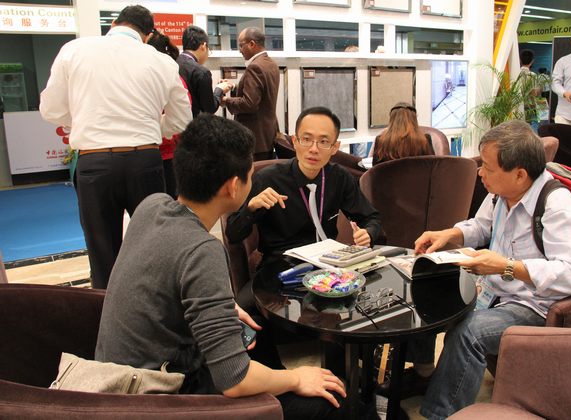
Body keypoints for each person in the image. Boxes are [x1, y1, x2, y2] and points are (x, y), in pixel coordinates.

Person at [95, 115, 347, 420]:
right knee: (332, 403)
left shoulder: (152, 206)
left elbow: (164, 286)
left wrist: (220, 306)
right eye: (250, 175)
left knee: (257, 333)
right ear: (233, 187)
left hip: (119, 377)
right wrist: (296, 378)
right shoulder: (202, 250)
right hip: (158, 397)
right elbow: (234, 379)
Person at [416, 120, 571, 419]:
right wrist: (449, 234)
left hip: (534, 304)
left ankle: (441, 414)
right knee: (426, 287)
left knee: (469, 333)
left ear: (519, 174)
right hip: (495, 291)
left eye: (488, 168)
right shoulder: (501, 194)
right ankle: (423, 372)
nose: (480, 173)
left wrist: (506, 267)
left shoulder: (555, 204)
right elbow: (481, 226)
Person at [39, 5, 192, 289]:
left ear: (114, 24)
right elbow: (182, 119)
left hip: (94, 162)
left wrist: (85, 120)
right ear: (148, 35)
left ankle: (104, 307)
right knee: (152, 244)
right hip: (145, 160)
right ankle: (152, 303)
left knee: (102, 251)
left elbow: (50, 109)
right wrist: (150, 127)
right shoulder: (162, 61)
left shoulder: (74, 50)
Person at [226, 107, 381, 297]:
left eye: (323, 142)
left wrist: (368, 233)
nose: (313, 149)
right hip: (281, 270)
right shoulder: (267, 179)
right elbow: (233, 233)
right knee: (245, 306)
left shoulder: (340, 178)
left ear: (335, 147)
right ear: (295, 141)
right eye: (306, 139)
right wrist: (251, 208)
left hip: (329, 269)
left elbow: (371, 218)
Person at [223, 27, 280, 161]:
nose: (240, 50)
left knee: (254, 173)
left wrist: (225, 100)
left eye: (241, 45)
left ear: (252, 44)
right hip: (267, 135)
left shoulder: (255, 67)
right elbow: (261, 93)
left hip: (255, 138)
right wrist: (234, 86)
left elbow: (249, 104)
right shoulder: (271, 64)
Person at [147, 30, 188, 199]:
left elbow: (180, 120)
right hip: (166, 150)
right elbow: (182, 118)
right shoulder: (173, 75)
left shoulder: (154, 76)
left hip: (161, 152)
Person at [178, 25, 232, 118]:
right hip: (193, 123)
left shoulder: (174, 62)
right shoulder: (201, 72)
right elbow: (209, 109)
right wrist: (219, 90)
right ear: (203, 46)